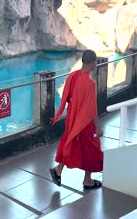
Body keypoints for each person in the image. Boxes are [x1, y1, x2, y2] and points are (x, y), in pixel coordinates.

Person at [49, 49, 104, 190]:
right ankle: (87, 181)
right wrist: (97, 127)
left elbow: (67, 97)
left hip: (72, 117)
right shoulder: (90, 82)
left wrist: (61, 113)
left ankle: (58, 170)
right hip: (84, 122)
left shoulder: (73, 76)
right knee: (93, 148)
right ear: (93, 62)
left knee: (71, 142)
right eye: (95, 62)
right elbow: (92, 108)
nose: (95, 64)